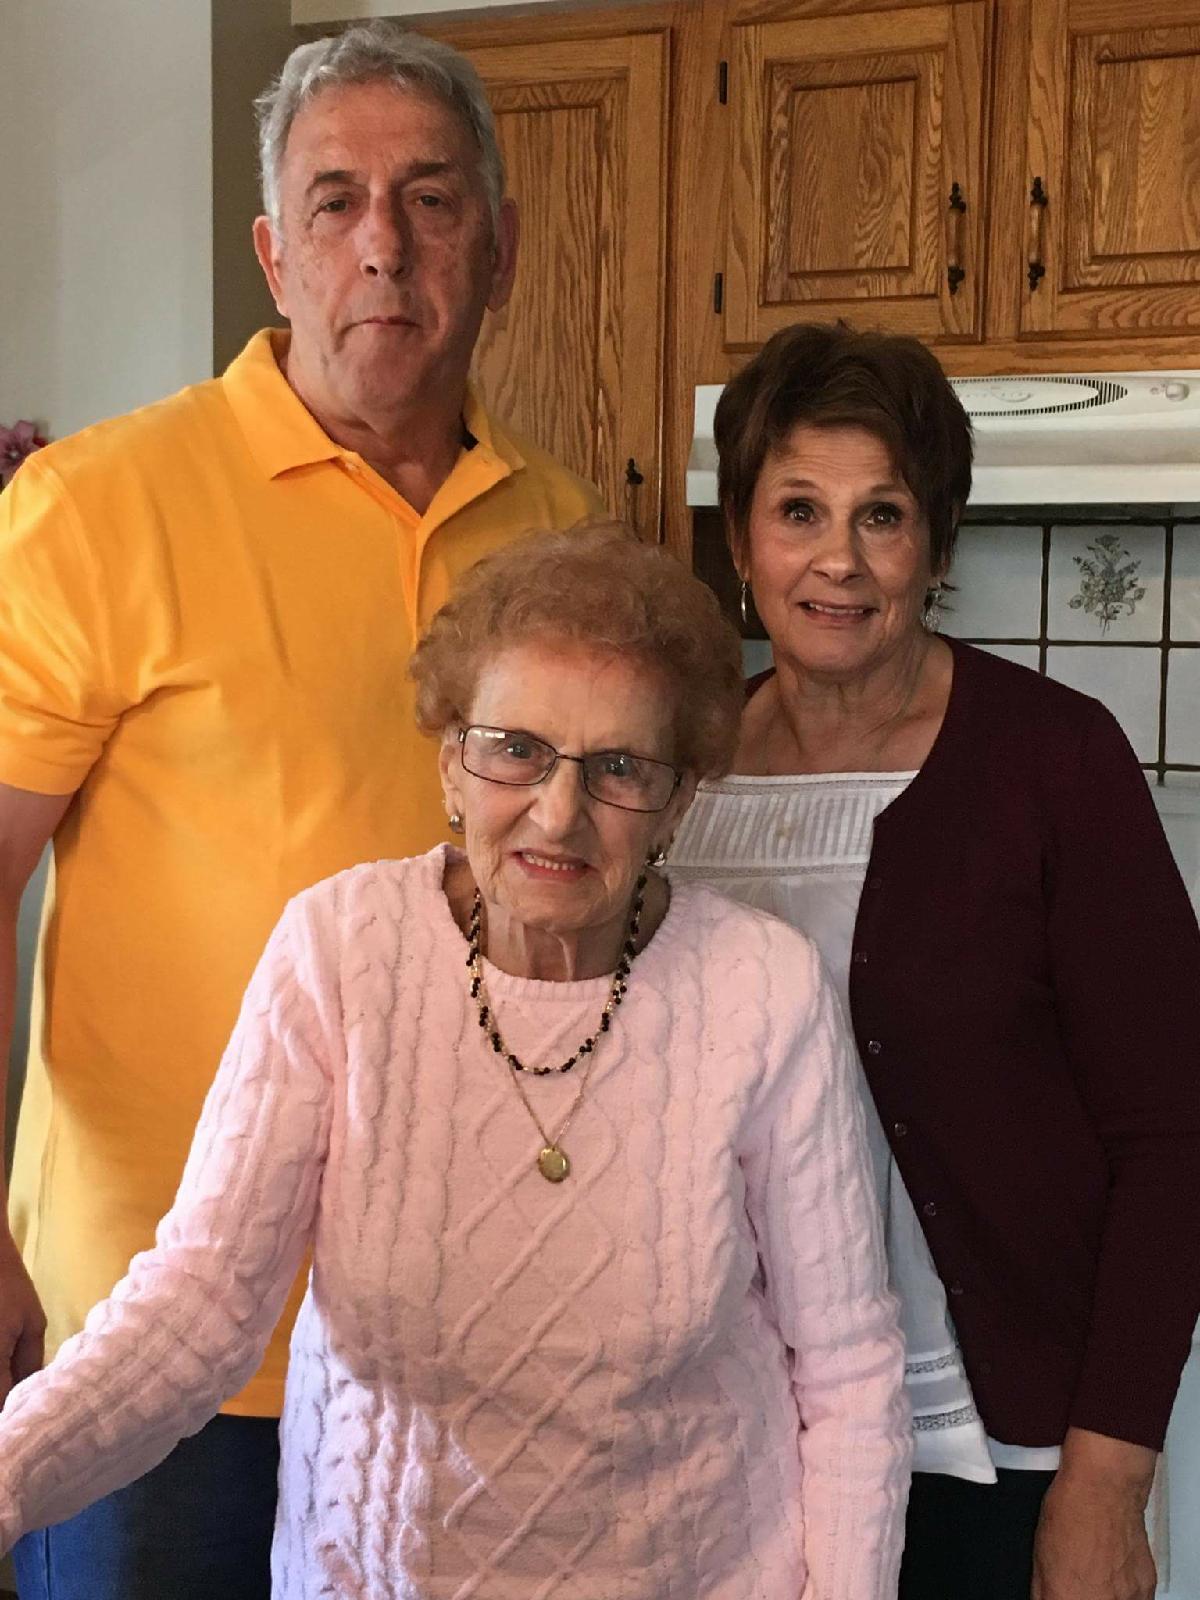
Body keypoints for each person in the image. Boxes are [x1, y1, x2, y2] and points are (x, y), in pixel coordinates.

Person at [0, 526, 909, 1600]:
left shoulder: (764, 988)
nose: (559, 813)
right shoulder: (342, 950)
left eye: (619, 768)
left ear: (677, 802)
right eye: (515, 749)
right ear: (450, 765)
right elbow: (200, 1302)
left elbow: (848, 1371)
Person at [0, 22, 602, 1598]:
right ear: (276, 255)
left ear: (501, 246)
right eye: (336, 202)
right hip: (158, 1339)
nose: (383, 246)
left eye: (432, 199)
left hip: (466, 1329)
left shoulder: (565, 537)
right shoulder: (94, 509)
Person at [668, 321, 1200, 1600]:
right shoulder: (678, 781)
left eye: (883, 515)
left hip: (1006, 1452)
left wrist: (1106, 1479)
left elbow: (1175, 1136)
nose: (839, 560)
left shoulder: (1054, 762)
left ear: (937, 545)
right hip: (745, 1441)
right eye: (799, 510)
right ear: (741, 539)